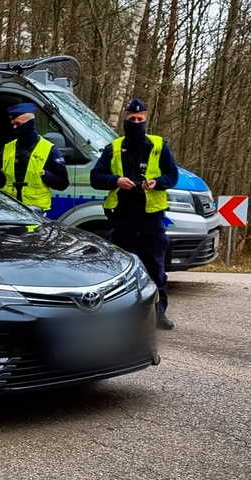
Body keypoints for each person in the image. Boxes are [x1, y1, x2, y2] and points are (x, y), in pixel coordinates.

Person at [91, 98, 180, 330]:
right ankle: (122, 314)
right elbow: (95, 177)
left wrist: (157, 182)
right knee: (122, 267)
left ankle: (159, 313)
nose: (137, 122)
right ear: (125, 120)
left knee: (154, 266)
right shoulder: (114, 147)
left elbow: (173, 175)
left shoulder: (159, 145)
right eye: (133, 119)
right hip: (122, 215)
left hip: (151, 216)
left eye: (141, 119)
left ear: (146, 120)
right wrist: (116, 180)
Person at [0, 102, 68, 210]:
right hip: (10, 210)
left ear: (29, 123)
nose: (15, 128)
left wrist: (47, 175)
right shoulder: (8, 148)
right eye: (13, 124)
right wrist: (1, 173)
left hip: (36, 212)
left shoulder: (49, 149)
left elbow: (62, 184)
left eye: (18, 124)